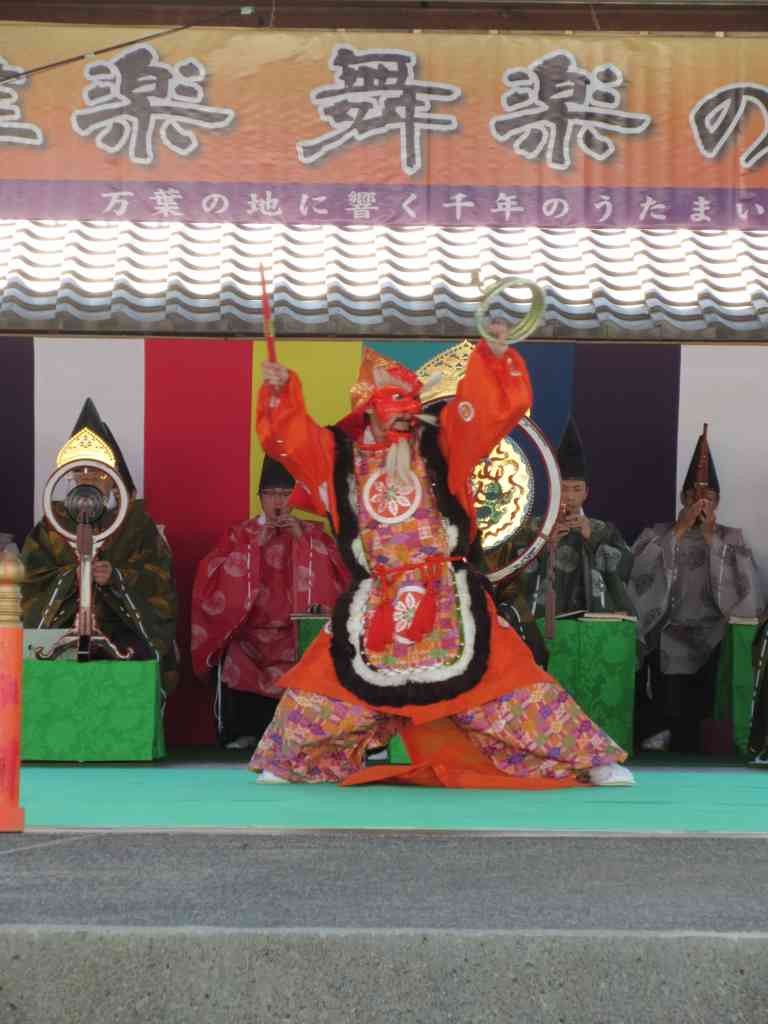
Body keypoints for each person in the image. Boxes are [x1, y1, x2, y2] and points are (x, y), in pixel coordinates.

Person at [247, 332, 633, 788]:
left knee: (509, 681)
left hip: (447, 592)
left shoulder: (441, 444)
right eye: (393, 403)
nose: (404, 416)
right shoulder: (338, 457)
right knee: (327, 684)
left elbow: (485, 415)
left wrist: (491, 358)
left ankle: (589, 759)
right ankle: (287, 762)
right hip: (378, 598)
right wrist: (279, 390)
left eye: (410, 404)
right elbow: (288, 437)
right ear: (367, 408)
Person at [191, 456, 350, 748]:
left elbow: (338, 580)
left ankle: (300, 733)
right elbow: (211, 578)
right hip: (249, 630)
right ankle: (244, 732)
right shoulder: (242, 534)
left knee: (309, 650)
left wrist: (303, 543)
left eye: (284, 494)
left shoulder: (313, 534)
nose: (277, 501)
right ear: (260, 498)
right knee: (239, 655)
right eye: (270, 494)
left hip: (295, 631)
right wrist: (254, 548)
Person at [21, 398, 178, 693]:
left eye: (98, 472)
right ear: (67, 476)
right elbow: (30, 584)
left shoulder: (136, 525)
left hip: (122, 633)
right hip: (61, 631)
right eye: (80, 471)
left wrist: (116, 577)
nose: (88, 479)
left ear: (112, 480)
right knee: (44, 666)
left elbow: (160, 584)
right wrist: (72, 576)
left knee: (137, 661)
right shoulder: (51, 525)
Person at [630, 427, 764, 753]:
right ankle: (663, 733)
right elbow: (635, 575)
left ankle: (693, 737)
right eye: (692, 497)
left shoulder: (731, 537)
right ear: (682, 498)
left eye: (707, 498)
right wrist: (677, 531)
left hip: (712, 630)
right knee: (664, 678)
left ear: (717, 502)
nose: (699, 503)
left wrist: (709, 539)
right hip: (668, 628)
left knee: (702, 697)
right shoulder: (656, 533)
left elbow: (748, 589)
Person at [484, 419, 635, 621]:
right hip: (541, 623)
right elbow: (508, 575)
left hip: (590, 626)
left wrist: (592, 539)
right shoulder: (532, 529)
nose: (570, 496)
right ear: (554, 490)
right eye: (563, 488)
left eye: (576, 489)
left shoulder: (603, 531)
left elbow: (626, 566)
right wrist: (543, 546)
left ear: (586, 493)